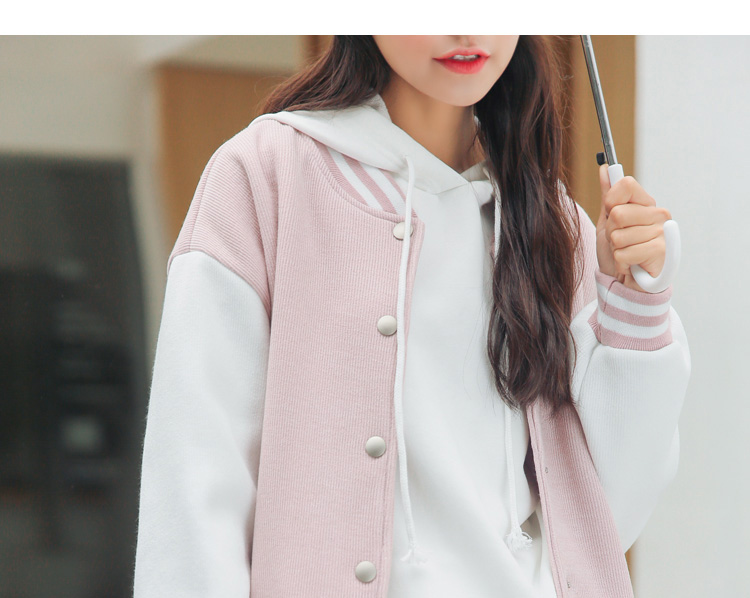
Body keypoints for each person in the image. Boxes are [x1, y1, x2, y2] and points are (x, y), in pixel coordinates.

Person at [132, 35, 690, 597]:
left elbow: (606, 518)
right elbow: (194, 483)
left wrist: (635, 302)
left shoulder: (552, 226)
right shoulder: (267, 175)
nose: (466, 27)